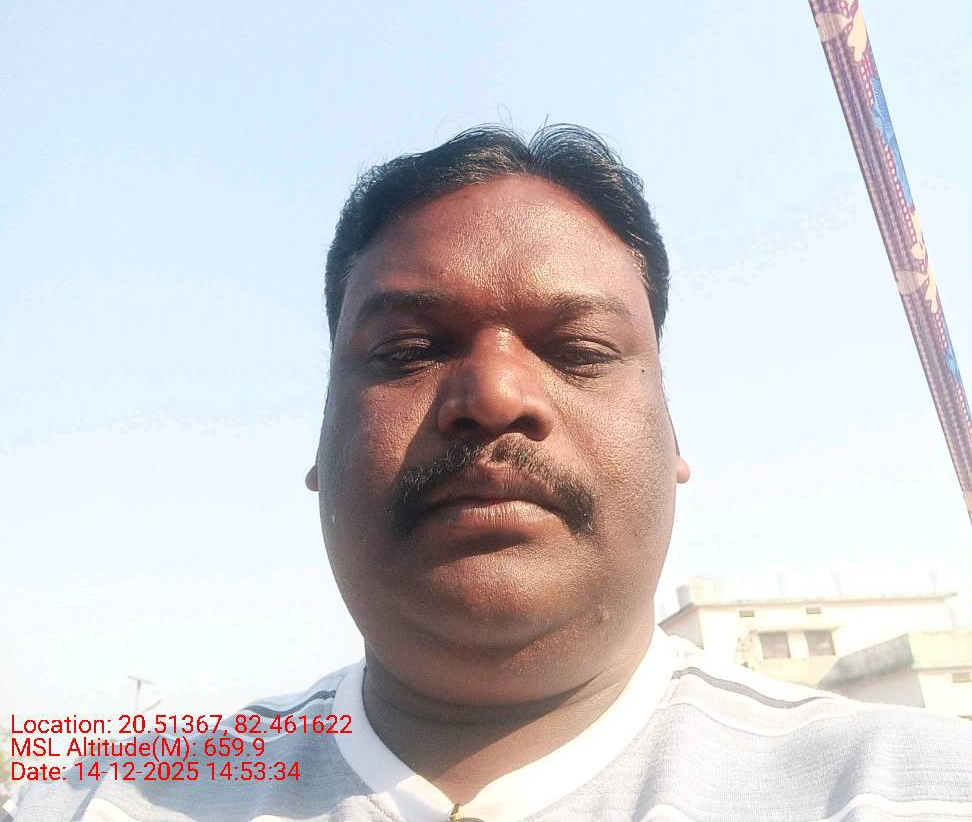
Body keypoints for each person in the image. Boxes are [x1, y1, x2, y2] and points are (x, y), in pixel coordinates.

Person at [13, 125, 972, 821]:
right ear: (318, 447)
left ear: (675, 439)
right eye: (407, 350)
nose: (496, 393)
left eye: (581, 350)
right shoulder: (109, 802)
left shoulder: (906, 792)